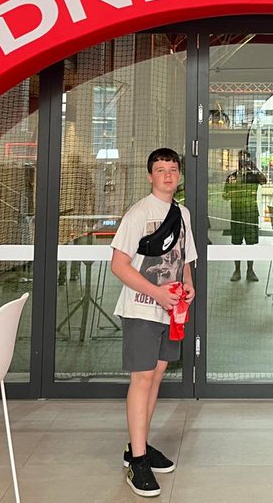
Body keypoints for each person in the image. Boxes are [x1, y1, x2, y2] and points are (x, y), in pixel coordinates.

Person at [110, 148, 196, 498]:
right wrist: (157, 294)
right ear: (150, 176)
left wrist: (188, 286)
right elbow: (119, 265)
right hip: (142, 310)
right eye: (161, 170)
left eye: (173, 169)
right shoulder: (138, 213)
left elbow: (184, 260)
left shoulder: (183, 214)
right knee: (142, 379)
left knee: (157, 376)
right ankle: (138, 461)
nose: (168, 175)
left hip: (170, 311)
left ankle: (138, 445)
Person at [224, 152, 265, 282]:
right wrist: (231, 186)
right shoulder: (232, 177)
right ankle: (237, 270)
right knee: (237, 242)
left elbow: (264, 180)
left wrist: (253, 167)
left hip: (251, 214)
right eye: (242, 160)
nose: (244, 162)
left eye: (246, 159)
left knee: (250, 243)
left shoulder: (254, 176)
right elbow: (225, 196)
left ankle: (250, 270)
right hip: (237, 214)